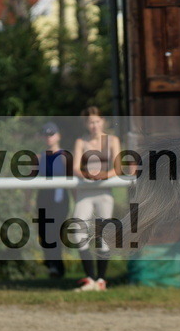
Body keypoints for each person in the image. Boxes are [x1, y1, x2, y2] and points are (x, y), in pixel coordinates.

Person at [71, 107, 121, 292]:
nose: (94, 125)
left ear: (102, 121)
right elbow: (75, 167)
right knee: (77, 231)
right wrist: (86, 175)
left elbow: (118, 167)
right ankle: (89, 278)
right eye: (90, 122)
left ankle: (101, 280)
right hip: (85, 190)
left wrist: (104, 175)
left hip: (103, 191)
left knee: (102, 234)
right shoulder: (80, 141)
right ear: (86, 124)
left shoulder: (112, 140)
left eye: (97, 121)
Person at [34, 122, 70, 278]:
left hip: (59, 198)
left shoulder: (64, 157)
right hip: (44, 197)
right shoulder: (39, 158)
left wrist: (77, 200)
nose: (49, 138)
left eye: (52, 134)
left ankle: (57, 266)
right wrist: (26, 202)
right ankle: (50, 264)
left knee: (54, 231)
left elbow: (72, 181)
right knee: (43, 232)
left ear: (58, 136)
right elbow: (29, 181)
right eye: (46, 135)